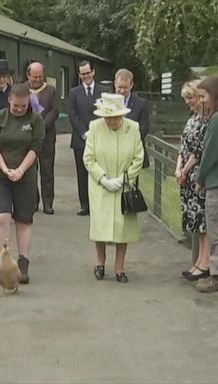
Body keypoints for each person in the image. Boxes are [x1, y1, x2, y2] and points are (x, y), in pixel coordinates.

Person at [0, 83, 45, 284]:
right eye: (16, 106)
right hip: (0, 174)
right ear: (9, 100)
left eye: (23, 106)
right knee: (2, 217)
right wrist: (4, 169)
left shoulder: (35, 120)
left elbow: (36, 148)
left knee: (23, 219)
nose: (19, 109)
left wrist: (20, 170)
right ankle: (1, 262)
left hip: (25, 175)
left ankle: (23, 263)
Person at [83, 93, 143, 283]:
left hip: (124, 184)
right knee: (101, 224)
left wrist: (125, 179)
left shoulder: (133, 128)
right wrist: (104, 179)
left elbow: (138, 157)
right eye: (108, 118)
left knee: (123, 227)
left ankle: (120, 267)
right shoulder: (95, 127)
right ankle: (100, 262)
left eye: (115, 117)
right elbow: (89, 158)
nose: (111, 121)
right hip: (101, 184)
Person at [174, 80, 209, 281]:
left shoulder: (207, 121)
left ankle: (204, 264)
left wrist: (185, 171)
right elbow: (183, 147)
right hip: (186, 176)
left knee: (203, 224)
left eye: (192, 98)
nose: (189, 102)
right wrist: (178, 168)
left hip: (198, 176)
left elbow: (198, 151)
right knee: (196, 224)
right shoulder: (192, 119)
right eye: (186, 99)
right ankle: (198, 262)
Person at [68, 60, 109, 216]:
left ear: (93, 72)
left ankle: (99, 204)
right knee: (82, 173)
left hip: (101, 139)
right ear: (79, 75)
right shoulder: (74, 93)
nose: (86, 76)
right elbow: (73, 115)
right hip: (81, 139)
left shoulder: (104, 91)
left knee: (100, 171)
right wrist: (84, 133)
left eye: (88, 72)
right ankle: (85, 205)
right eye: (82, 73)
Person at [195, 76, 218, 293]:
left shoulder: (217, 119)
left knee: (217, 231)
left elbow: (210, 153)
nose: (201, 101)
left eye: (203, 96)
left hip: (217, 183)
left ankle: (217, 276)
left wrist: (200, 178)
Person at [26, 62, 59, 214]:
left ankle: (48, 203)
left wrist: (42, 127)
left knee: (47, 172)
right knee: (30, 172)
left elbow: (55, 111)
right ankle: (32, 202)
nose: (38, 79)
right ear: (28, 75)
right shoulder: (23, 89)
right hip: (28, 138)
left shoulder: (51, 90)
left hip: (47, 137)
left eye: (40, 76)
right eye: (35, 77)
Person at [114, 68, 150, 168]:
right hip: (111, 153)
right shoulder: (108, 102)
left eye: (125, 88)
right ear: (115, 84)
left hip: (133, 153)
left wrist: (128, 143)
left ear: (131, 85)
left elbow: (144, 128)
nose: (122, 91)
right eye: (119, 87)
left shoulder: (141, 104)